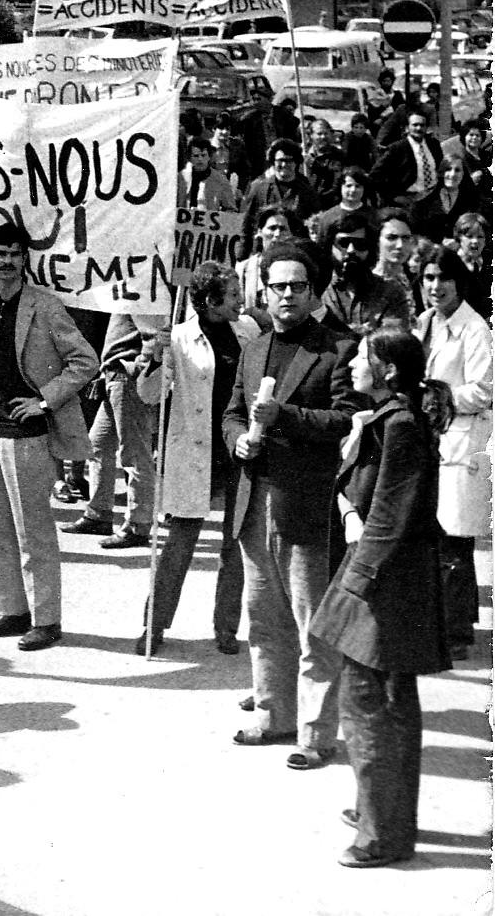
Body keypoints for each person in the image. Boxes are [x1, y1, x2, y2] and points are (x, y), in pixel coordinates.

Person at [309, 329, 455, 868]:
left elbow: (392, 514)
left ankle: (384, 834)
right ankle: (382, 812)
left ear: (389, 372)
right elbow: (366, 495)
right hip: (383, 579)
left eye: (363, 358)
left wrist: (355, 584)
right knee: (379, 703)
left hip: (385, 585)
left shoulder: (401, 426)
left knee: (372, 707)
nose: (352, 365)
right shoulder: (386, 420)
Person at [223, 241, 357, 768]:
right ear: (264, 289)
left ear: (314, 291)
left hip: (305, 504)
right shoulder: (254, 348)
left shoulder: (336, 348)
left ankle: (316, 733)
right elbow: (233, 412)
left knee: (312, 625)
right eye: (276, 285)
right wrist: (238, 440)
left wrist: (285, 416)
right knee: (264, 618)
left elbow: (347, 419)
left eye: (296, 286)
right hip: (255, 500)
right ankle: (273, 713)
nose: (285, 295)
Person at [0, 225, 98, 651]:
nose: (8, 261)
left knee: (34, 531)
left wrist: (44, 401)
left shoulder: (45, 307)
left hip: (29, 436)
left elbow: (86, 361)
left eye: (15, 254)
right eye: (0, 254)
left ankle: (46, 619)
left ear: (25, 259)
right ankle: (12, 611)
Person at [134, 262, 260, 655]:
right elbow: (150, 395)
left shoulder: (249, 332)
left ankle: (226, 627)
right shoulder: (179, 338)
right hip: (195, 450)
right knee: (179, 543)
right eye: (234, 295)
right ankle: (154, 626)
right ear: (209, 302)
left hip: (238, 448)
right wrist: (155, 358)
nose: (242, 301)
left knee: (235, 545)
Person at [415, 251, 492, 661]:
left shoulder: (475, 328)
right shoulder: (427, 321)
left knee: (456, 540)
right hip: (430, 439)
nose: (435, 285)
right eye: (428, 277)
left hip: (461, 440)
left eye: (443, 277)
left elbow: (483, 389)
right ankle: (440, 622)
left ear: (459, 282)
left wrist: (441, 397)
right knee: (434, 534)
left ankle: (459, 631)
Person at [61, 313, 164, 549]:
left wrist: (140, 369)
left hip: (126, 375)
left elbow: (154, 334)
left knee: (134, 454)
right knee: (97, 445)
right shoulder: (127, 292)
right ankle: (98, 514)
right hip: (115, 374)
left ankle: (138, 524)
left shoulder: (137, 292)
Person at [320, 211, 412, 335]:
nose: (351, 250)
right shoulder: (317, 290)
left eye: (360, 244)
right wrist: (365, 330)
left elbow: (393, 340)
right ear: (330, 246)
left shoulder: (390, 292)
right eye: (344, 243)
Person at [241, 139, 318, 237]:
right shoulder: (260, 189)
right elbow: (248, 226)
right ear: (273, 161)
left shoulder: (307, 192)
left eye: (289, 160)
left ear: (296, 162)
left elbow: (314, 226)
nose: (284, 165)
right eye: (280, 160)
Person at [371, 111, 446, 208]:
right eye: (415, 125)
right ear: (407, 128)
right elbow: (375, 175)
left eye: (422, 125)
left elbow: (440, 168)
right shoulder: (396, 149)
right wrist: (392, 196)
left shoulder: (434, 145)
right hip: (408, 201)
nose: (419, 128)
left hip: (432, 197)